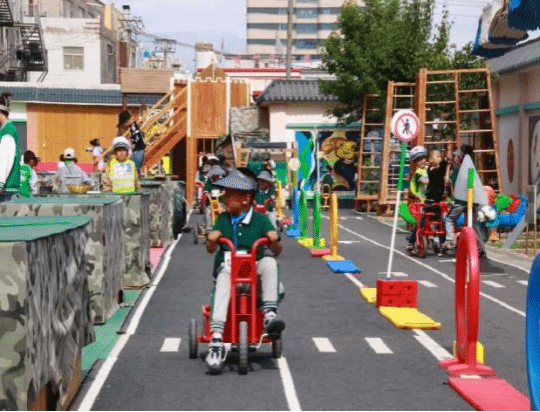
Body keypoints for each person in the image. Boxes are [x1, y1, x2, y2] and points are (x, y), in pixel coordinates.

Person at [205, 168, 285, 372]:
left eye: (229, 195)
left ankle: (269, 314)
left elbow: (277, 251)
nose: (225, 199)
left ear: (245, 199)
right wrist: (212, 239)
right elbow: (210, 249)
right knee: (223, 280)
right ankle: (216, 338)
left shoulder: (260, 219)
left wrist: (274, 240)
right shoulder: (223, 219)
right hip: (229, 268)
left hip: (253, 269)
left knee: (269, 262)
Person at [443, 145, 487, 258]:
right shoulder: (473, 168)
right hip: (473, 202)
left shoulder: (459, 169)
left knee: (449, 219)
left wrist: (448, 168)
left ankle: (449, 240)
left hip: (461, 202)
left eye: (458, 155)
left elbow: (447, 181)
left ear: (461, 156)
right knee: (474, 225)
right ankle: (481, 249)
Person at [407, 146, 429, 252]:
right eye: (418, 160)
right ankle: (411, 242)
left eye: (423, 158)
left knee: (436, 220)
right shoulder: (418, 173)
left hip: (431, 200)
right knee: (420, 223)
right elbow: (424, 182)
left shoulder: (428, 169)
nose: (422, 161)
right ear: (415, 162)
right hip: (422, 202)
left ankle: (441, 242)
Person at [0, 93, 21, 202]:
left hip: (5, 190)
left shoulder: (7, 132)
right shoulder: (7, 129)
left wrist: (0, 182)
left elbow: (4, 160)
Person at [204, 165, 227, 230]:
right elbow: (206, 189)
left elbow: (225, 189)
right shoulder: (209, 181)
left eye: (218, 175)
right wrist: (207, 193)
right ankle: (209, 227)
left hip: (220, 201)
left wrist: (223, 192)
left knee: (223, 211)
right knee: (208, 211)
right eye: (215, 175)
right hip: (210, 202)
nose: (216, 176)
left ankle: (223, 226)